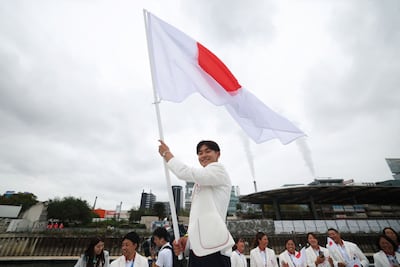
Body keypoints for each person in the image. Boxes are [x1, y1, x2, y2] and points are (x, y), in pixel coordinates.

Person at [158, 140, 234, 267]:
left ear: (218, 154)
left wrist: (166, 154)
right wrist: (187, 240)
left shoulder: (218, 171)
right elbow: (198, 218)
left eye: (208, 151)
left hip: (214, 249)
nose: (203, 155)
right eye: (200, 153)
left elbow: (185, 172)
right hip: (198, 251)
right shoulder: (200, 183)